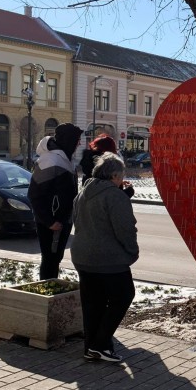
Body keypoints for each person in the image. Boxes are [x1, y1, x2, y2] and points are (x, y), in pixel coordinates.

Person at [71, 153, 138, 362]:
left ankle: (92, 347)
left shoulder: (84, 192)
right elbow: (125, 229)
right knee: (124, 295)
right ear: (115, 176)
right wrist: (131, 252)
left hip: (82, 256)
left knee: (93, 303)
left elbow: (77, 220)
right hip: (109, 259)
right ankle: (100, 344)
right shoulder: (115, 196)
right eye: (121, 175)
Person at [28, 122, 83, 280]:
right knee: (50, 260)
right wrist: (49, 221)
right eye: (76, 139)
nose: (79, 143)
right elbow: (34, 194)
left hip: (61, 220)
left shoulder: (64, 158)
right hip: (52, 223)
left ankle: (50, 291)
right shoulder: (51, 160)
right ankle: (47, 293)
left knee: (55, 259)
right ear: (68, 139)